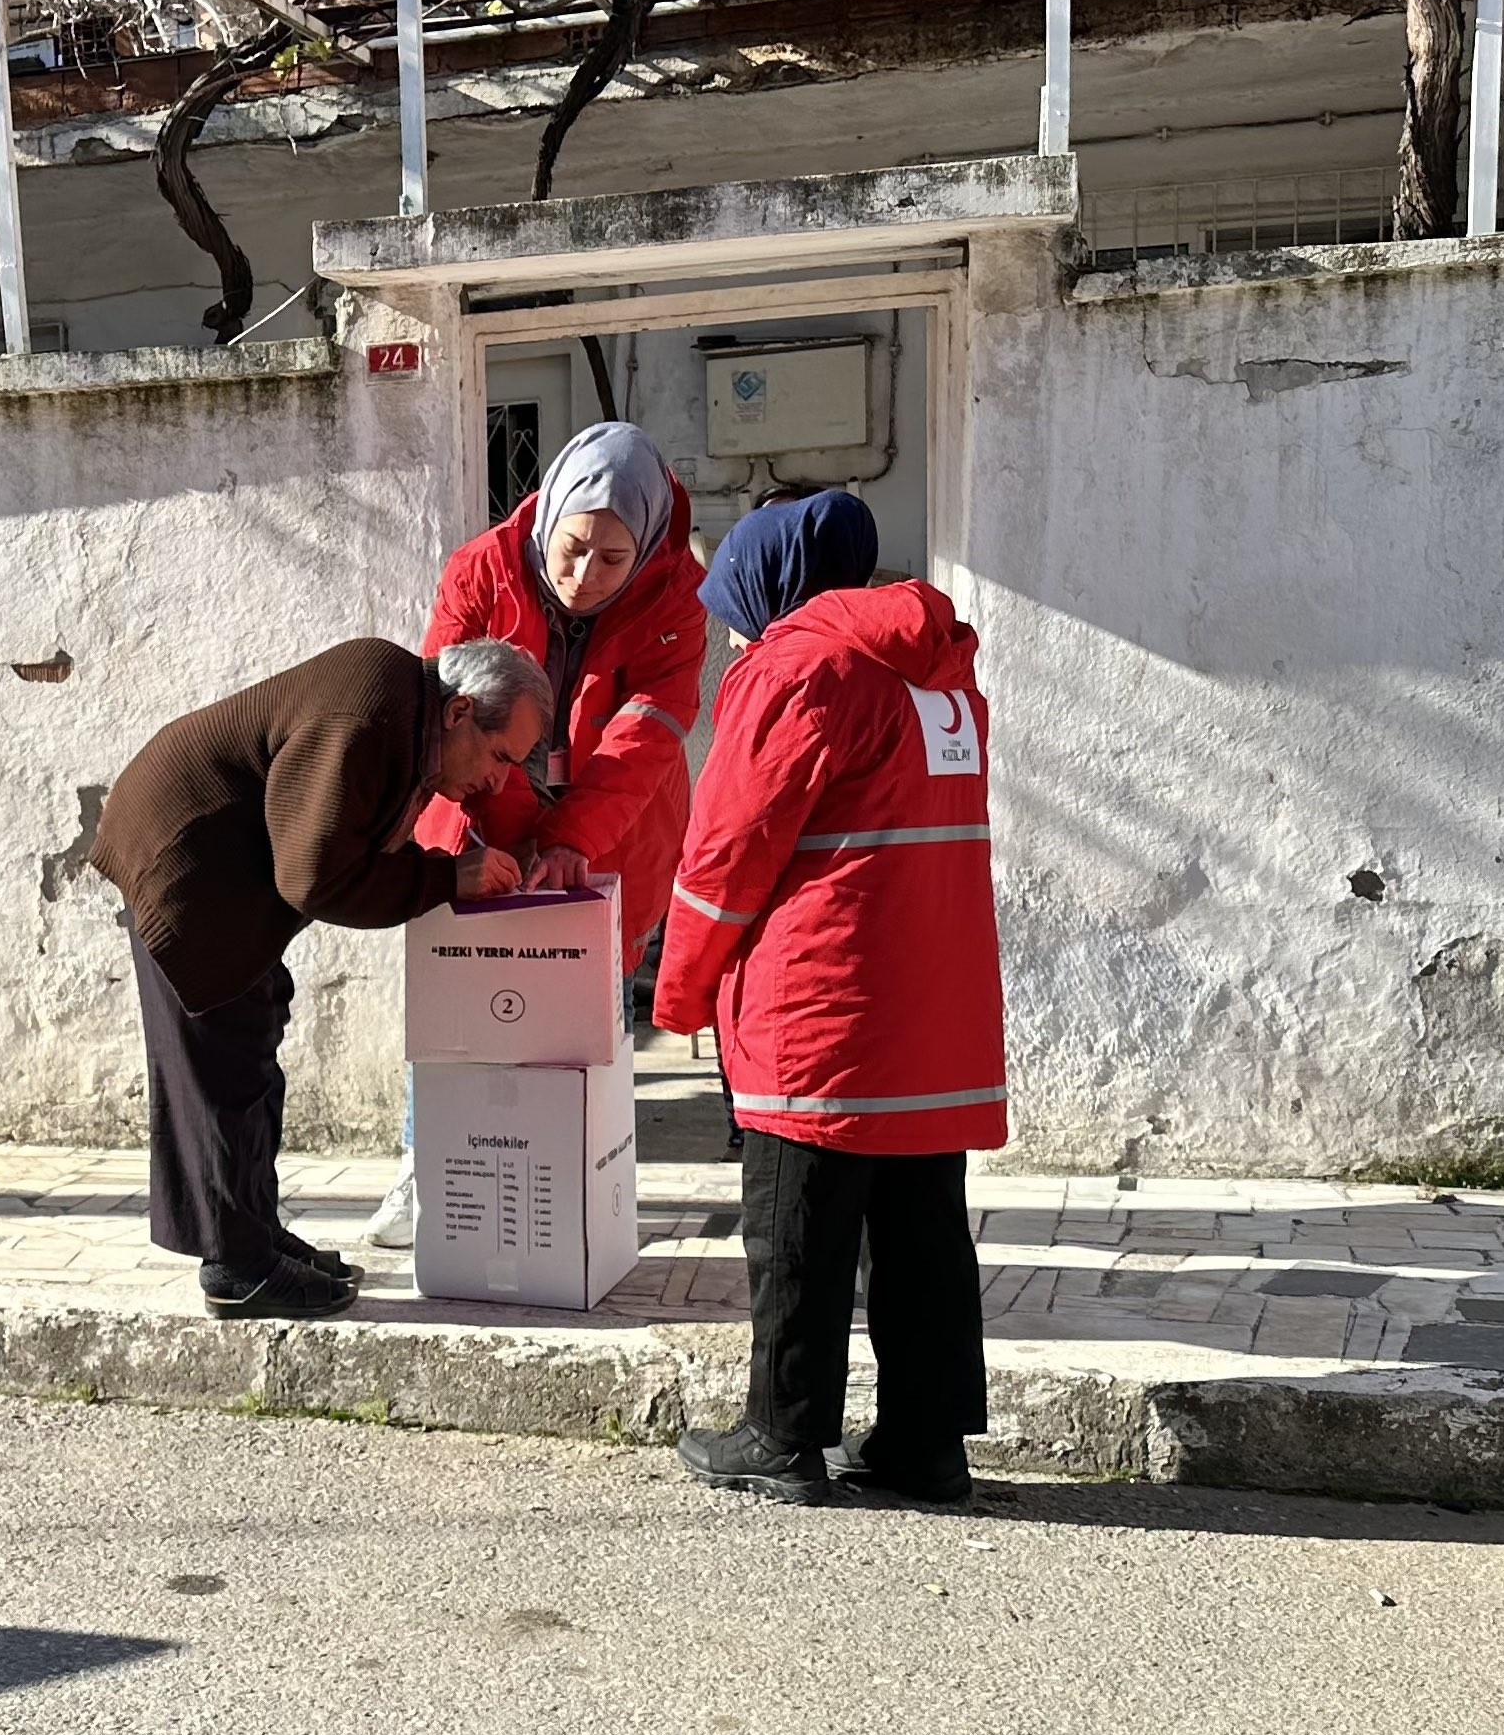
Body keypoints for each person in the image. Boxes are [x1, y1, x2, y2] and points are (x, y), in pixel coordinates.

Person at [649, 497, 1005, 1508]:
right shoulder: (940, 678)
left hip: (822, 1008)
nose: (728, 634)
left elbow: (726, 852)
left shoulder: (797, 669)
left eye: (732, 610)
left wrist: (679, 994)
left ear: (771, 590)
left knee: (798, 1226)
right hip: (932, 1007)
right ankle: (925, 1446)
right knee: (924, 1235)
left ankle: (784, 1434)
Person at [94, 638, 552, 1319]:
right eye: (499, 757)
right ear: (459, 712)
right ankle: (237, 1268)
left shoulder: (407, 714)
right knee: (224, 1064)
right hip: (184, 866)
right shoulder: (372, 715)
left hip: (228, 873)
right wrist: (442, 878)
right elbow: (314, 878)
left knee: (256, 1037)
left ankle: (253, 1234)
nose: (498, 780)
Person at [369, 423, 709, 1248]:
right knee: (457, 1009)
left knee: (585, 1016)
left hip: (612, 833)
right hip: (479, 815)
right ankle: (429, 1168)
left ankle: (589, 1175)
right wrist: (518, 844)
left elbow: (647, 736)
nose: (583, 576)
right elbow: (454, 723)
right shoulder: (480, 568)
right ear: (547, 514)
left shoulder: (676, 599)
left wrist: (572, 839)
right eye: (572, 549)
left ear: (649, 547)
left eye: (611, 560)